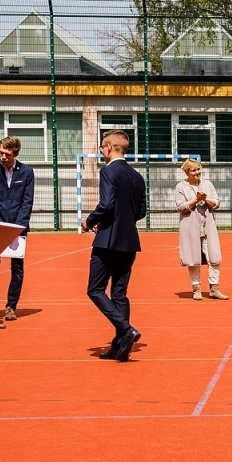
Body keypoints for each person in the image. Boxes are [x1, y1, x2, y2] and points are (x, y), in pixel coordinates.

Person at [83, 130, 147, 360]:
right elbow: (140, 211)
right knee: (119, 294)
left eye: (102, 147)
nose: (101, 151)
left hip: (108, 240)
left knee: (95, 289)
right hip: (130, 240)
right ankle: (120, 345)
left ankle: (127, 329)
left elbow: (106, 203)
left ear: (109, 147)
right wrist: (124, 222)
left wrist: (90, 221)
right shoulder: (137, 176)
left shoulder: (109, 171)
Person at [0, 136, 34, 322]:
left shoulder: (27, 172)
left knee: (17, 268)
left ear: (15, 153)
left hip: (18, 227)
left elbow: (27, 201)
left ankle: (11, 306)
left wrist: (18, 226)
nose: (3, 157)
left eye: (7, 154)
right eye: (1, 153)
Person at [174, 158, 226, 300]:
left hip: (207, 226)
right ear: (187, 172)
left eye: (198, 169)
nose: (197, 172)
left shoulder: (207, 184)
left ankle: (214, 288)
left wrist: (206, 199)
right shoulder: (181, 187)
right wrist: (195, 200)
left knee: (214, 257)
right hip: (190, 227)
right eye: (193, 170)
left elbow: (217, 202)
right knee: (193, 258)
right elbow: (181, 206)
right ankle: (196, 289)